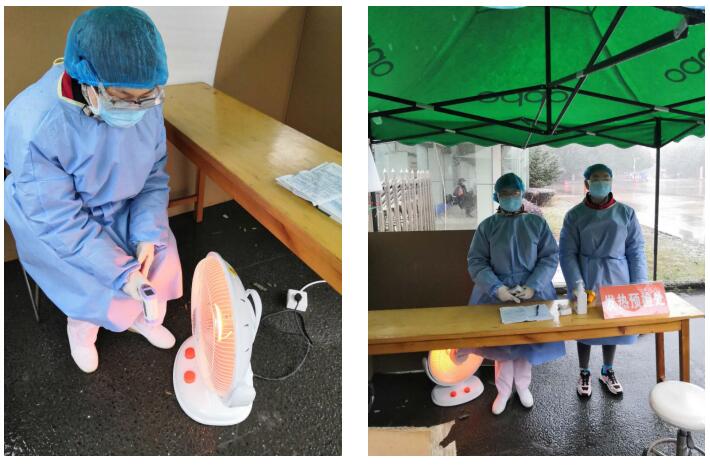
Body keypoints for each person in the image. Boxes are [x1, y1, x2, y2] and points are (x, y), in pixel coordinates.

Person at [4, 7, 182, 373]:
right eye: (122, 97)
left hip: (124, 203)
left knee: (158, 258)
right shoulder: (38, 124)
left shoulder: (146, 102)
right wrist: (121, 273)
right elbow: (58, 220)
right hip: (56, 218)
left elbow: (152, 176)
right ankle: (82, 329)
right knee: (95, 280)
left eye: (144, 97)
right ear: (88, 82)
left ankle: (142, 317)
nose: (135, 108)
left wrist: (147, 233)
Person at [457, 173, 565, 415]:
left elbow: (549, 256)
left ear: (522, 194)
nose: (510, 197)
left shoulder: (536, 224)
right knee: (503, 346)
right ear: (497, 196)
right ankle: (503, 390)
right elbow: (476, 261)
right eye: (505, 194)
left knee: (525, 343)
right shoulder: (487, 226)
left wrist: (533, 285)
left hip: (532, 292)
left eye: (515, 193)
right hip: (496, 294)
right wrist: (497, 288)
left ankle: (523, 386)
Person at [559, 164, 647, 397]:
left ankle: (607, 370)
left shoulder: (626, 213)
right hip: (586, 277)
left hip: (618, 276)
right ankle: (584, 371)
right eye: (596, 178)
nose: (601, 182)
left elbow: (636, 251)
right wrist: (577, 284)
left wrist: (639, 286)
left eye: (606, 178)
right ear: (586, 184)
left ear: (611, 182)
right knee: (585, 327)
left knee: (612, 326)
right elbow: (567, 253)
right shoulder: (574, 215)